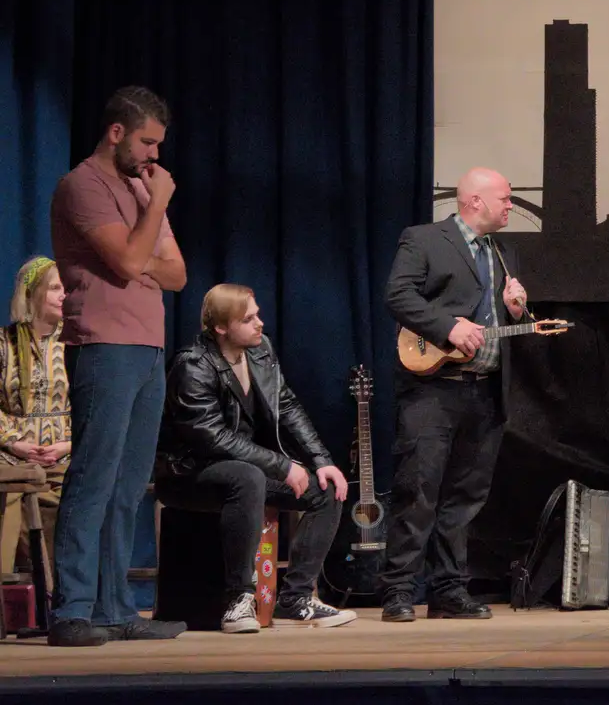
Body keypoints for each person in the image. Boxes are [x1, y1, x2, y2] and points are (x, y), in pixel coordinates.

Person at [48, 86, 188, 647]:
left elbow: (175, 274)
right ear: (116, 132)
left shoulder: (138, 184)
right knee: (93, 478)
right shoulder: (84, 185)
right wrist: (155, 212)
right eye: (147, 142)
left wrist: (144, 252)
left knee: (128, 486)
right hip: (103, 344)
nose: (154, 156)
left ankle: (114, 608)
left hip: (148, 346)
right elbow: (131, 261)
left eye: (158, 145)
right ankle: (71, 611)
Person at [155, 285, 355, 633]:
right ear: (221, 327)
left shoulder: (260, 350)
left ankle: (296, 598)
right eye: (248, 319)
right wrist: (282, 465)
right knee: (248, 478)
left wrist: (322, 460)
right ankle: (238, 599)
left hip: (243, 468)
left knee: (323, 489)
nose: (259, 324)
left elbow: (287, 404)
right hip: (187, 473)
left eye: (257, 314)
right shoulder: (193, 365)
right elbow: (212, 437)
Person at [380, 167, 530, 622]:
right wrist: (448, 326)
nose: (511, 206)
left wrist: (518, 308)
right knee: (417, 491)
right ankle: (400, 592)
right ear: (475, 201)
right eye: (504, 198)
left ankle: (448, 591)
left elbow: (504, 320)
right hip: (433, 390)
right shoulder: (425, 239)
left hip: (484, 393)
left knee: (464, 499)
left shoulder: (503, 253)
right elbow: (398, 296)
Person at [2, 258, 71, 578]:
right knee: (12, 494)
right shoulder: (4, 343)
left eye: (66, 288)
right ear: (32, 294)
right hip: (12, 456)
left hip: (64, 456)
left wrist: (65, 445)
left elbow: (91, 405)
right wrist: (14, 443)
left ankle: (61, 599)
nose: (64, 295)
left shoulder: (77, 344)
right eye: (55, 288)